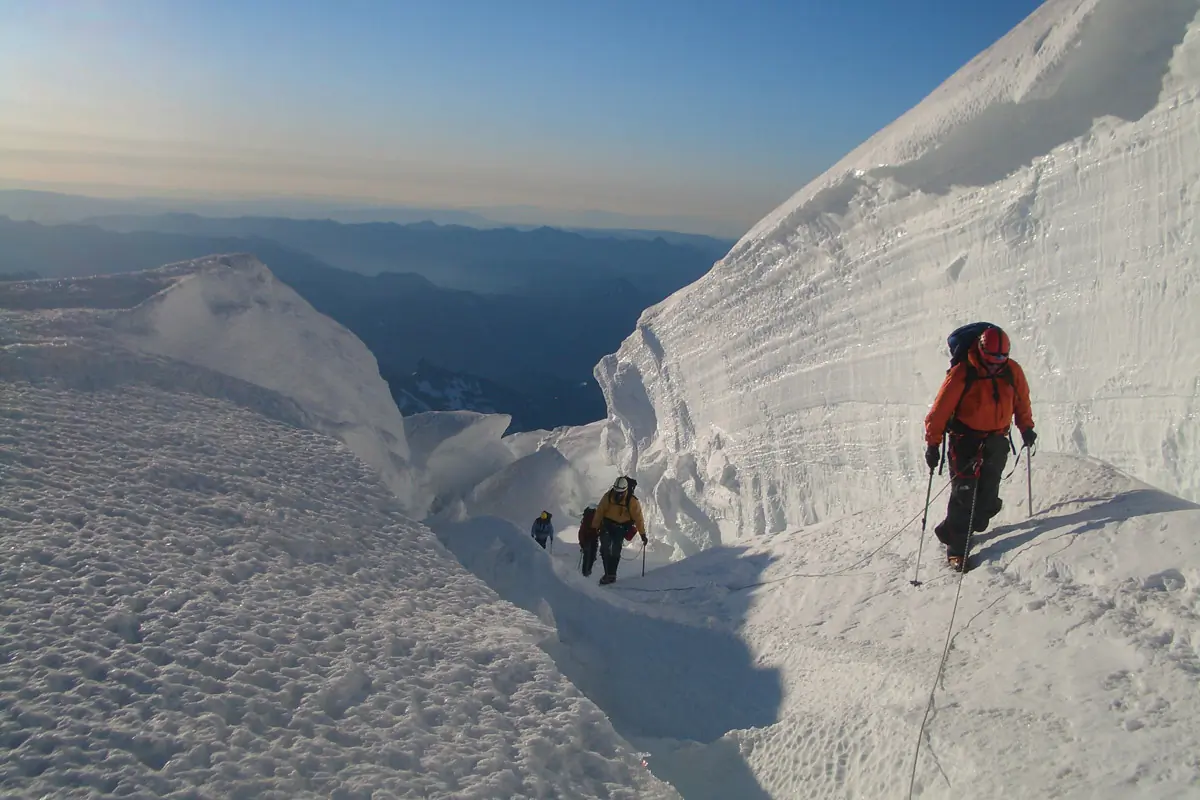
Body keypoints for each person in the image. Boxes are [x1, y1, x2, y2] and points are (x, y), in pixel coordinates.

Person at [924, 325, 1036, 571]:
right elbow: (940, 410)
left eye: (1001, 358)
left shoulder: (1012, 371)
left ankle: (952, 528)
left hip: (996, 440)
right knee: (964, 494)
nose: (996, 363)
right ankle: (957, 548)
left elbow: (1021, 400)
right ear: (981, 350)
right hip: (966, 440)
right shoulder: (963, 372)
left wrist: (1025, 427)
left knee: (987, 498)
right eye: (991, 358)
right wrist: (933, 444)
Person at [589, 476, 647, 584]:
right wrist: (594, 527)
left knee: (616, 549)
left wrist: (643, 534)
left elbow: (638, 518)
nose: (618, 494)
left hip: (621, 528)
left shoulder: (632, 501)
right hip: (607, 524)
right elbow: (600, 512)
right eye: (616, 491)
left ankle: (612, 574)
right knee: (605, 548)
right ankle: (608, 574)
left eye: (620, 492)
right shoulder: (608, 496)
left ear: (625, 490)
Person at [578, 506, 599, 577]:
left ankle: (585, 572)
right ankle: (588, 571)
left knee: (586, 556)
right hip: (594, 539)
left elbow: (581, 532)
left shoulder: (585, 520)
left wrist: (582, 544)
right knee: (592, 556)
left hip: (587, 539)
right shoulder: (597, 517)